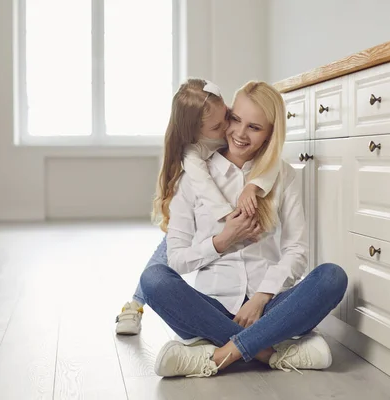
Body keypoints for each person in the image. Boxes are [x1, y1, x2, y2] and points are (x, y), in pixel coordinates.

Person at [138, 81, 348, 378]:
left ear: (269, 134)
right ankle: (269, 353)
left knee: (332, 277)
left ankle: (217, 355)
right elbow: (177, 260)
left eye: (254, 127)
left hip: (271, 307)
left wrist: (262, 298)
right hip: (211, 307)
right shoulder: (195, 177)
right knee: (153, 279)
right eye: (235, 119)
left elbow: (296, 250)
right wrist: (222, 241)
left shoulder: (282, 175)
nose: (239, 133)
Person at [115, 78, 280, 335]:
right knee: (167, 252)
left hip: (248, 257)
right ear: (197, 133)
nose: (229, 127)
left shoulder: (235, 130)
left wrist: (252, 186)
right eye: (218, 126)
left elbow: (272, 160)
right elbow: (204, 186)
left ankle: (231, 341)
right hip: (209, 207)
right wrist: (228, 219)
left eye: (228, 115)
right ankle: (135, 304)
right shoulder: (194, 153)